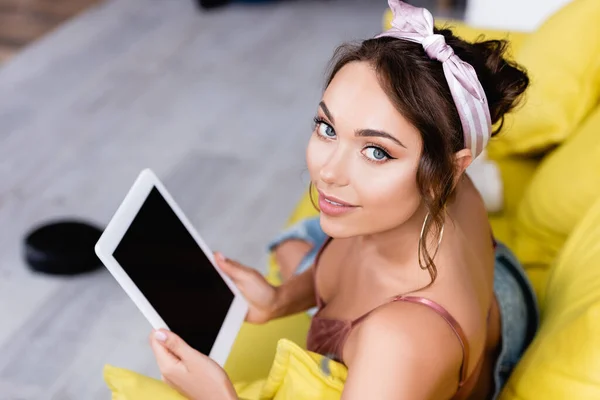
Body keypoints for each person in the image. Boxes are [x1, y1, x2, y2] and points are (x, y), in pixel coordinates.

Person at [148, 1, 539, 398]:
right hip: (500, 288)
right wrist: (279, 299)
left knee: (295, 244)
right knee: (295, 245)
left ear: (451, 169)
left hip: (462, 337)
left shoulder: (398, 343)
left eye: (376, 151)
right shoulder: (436, 185)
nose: (328, 173)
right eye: (327, 128)